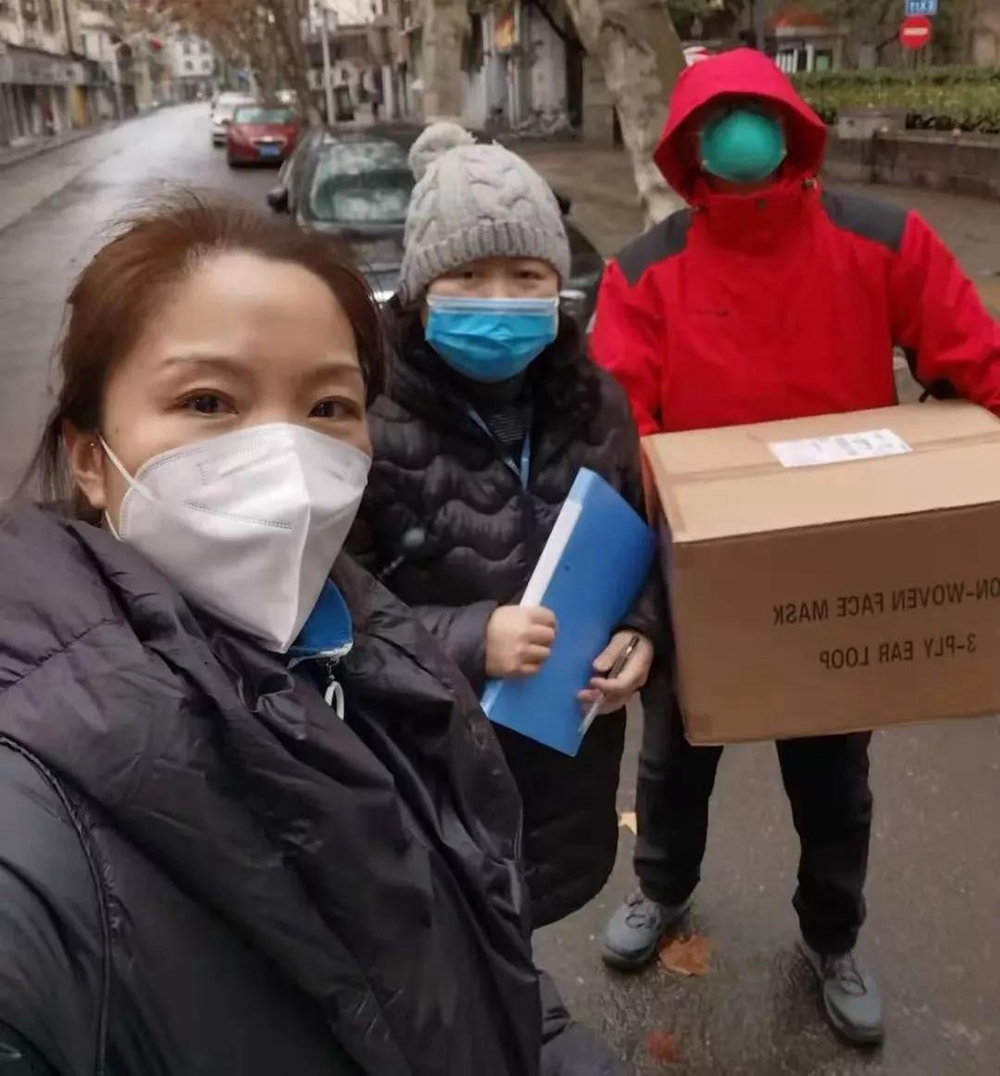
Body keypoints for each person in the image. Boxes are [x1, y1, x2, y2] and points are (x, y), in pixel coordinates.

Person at [0, 193, 601, 1076]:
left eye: (327, 407)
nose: (284, 459)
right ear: (91, 456)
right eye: (208, 400)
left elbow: (476, 963)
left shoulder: (374, 659)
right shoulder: (37, 815)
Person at [591, 48, 1000, 1048]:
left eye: (755, 111)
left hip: (835, 564)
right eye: (718, 117)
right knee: (674, 759)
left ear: (790, 126)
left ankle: (832, 935)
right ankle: (662, 888)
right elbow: (620, 424)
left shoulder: (882, 240)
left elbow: (973, 360)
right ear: (688, 145)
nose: (740, 133)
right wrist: (672, 545)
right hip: (697, 572)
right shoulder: (644, 271)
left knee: (833, 781)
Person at [348, 122, 662, 930]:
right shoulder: (359, 417)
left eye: (525, 274)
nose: (498, 299)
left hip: (566, 769)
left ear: (556, 285)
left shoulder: (598, 402)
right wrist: (467, 639)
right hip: (429, 775)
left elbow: (641, 545)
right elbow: (324, 613)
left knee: (525, 938)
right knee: (446, 947)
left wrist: (641, 634)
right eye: (467, 273)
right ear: (420, 288)